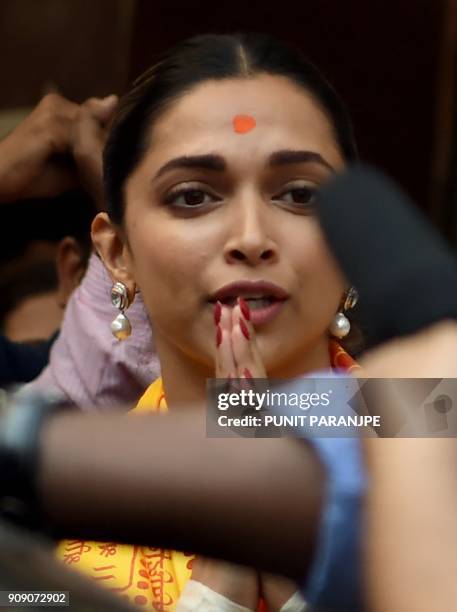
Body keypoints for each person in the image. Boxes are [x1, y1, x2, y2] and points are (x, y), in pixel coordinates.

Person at [53, 32, 363, 610]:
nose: (250, 238)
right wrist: (224, 573)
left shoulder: (436, 435)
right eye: (193, 197)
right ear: (118, 253)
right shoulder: (57, 506)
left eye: (300, 194)